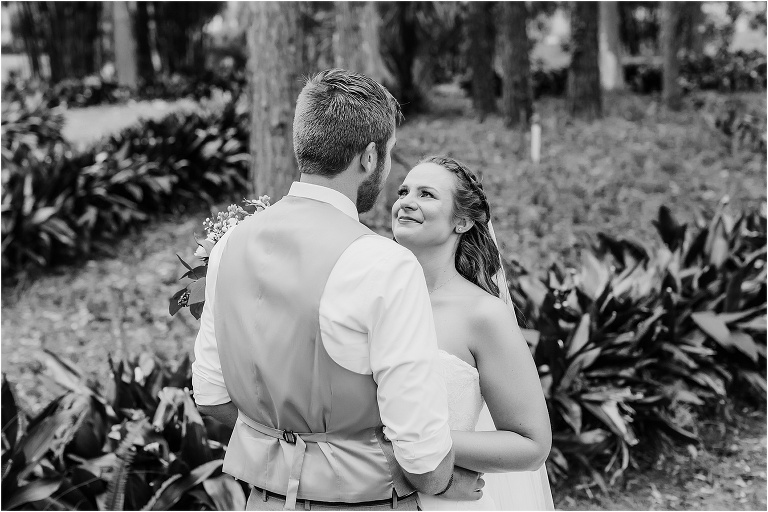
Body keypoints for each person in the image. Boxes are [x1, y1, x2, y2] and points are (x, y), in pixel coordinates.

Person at [191, 70, 484, 510]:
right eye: (389, 154)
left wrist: (287, 454)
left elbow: (211, 396)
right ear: (369, 157)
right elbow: (420, 450)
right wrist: (443, 484)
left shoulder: (230, 245)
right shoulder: (383, 262)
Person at [391, 155, 554, 510]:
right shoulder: (378, 297)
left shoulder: (483, 315)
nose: (406, 201)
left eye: (426, 194)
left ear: (462, 221)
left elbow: (531, 444)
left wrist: (420, 444)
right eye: (403, 191)